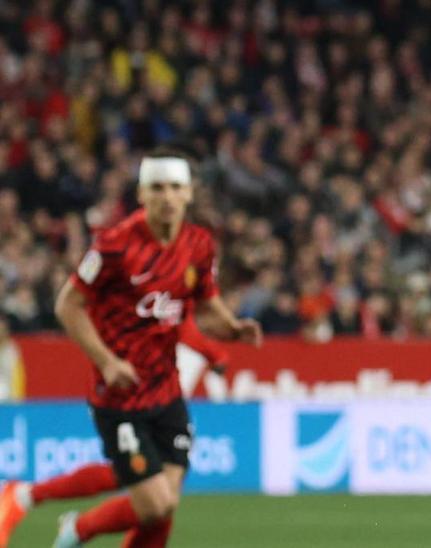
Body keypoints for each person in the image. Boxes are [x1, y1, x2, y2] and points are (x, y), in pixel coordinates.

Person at [0, 149, 262, 548]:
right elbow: (67, 305)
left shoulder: (199, 245)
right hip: (120, 394)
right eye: (157, 188)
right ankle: (77, 528)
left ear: (190, 194)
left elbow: (204, 306)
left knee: (163, 507)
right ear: (141, 194)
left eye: (176, 188)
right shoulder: (115, 246)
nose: (167, 197)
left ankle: (72, 525)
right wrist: (106, 362)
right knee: (153, 502)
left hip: (166, 389)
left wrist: (231, 327)